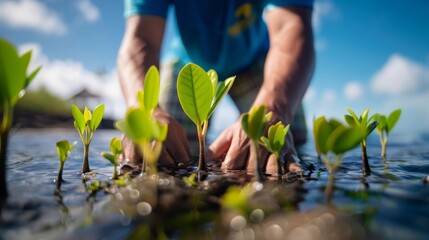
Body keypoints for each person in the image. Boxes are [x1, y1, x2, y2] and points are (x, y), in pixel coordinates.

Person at [117, 0, 315, 175]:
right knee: (165, 146)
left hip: (253, 60)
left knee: (289, 139)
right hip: (188, 64)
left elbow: (291, 24)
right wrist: (145, 110)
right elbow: (142, 39)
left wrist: (274, 110)